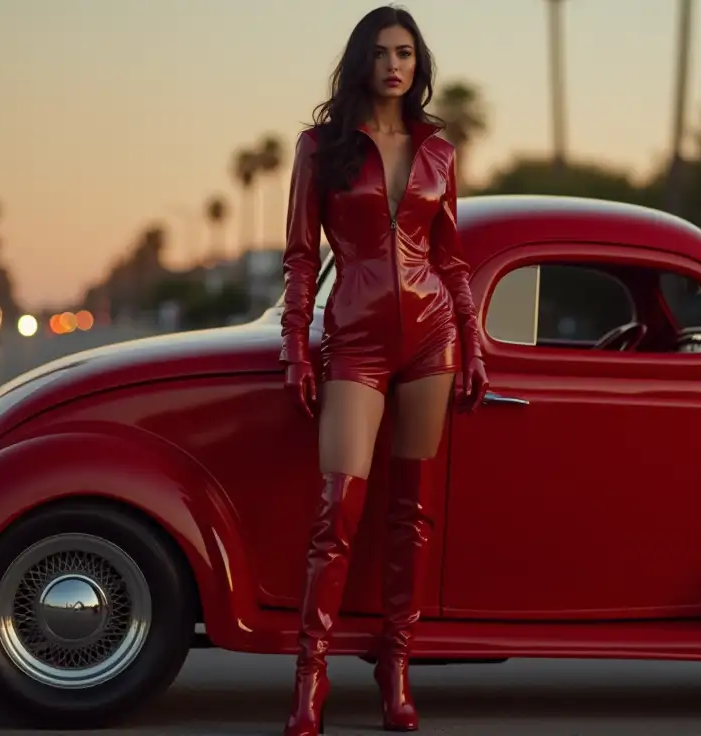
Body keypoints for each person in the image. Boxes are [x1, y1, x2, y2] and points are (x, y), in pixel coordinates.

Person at [276, 5, 489, 735]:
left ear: (417, 63)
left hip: (432, 338)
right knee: (338, 512)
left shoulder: (438, 151)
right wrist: (293, 343)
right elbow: (303, 257)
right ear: (360, 63)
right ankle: (311, 675)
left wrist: (474, 340)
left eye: (404, 52)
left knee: (414, 512)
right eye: (379, 52)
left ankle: (396, 665)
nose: (393, 64)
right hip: (356, 340)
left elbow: (451, 255)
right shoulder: (320, 147)